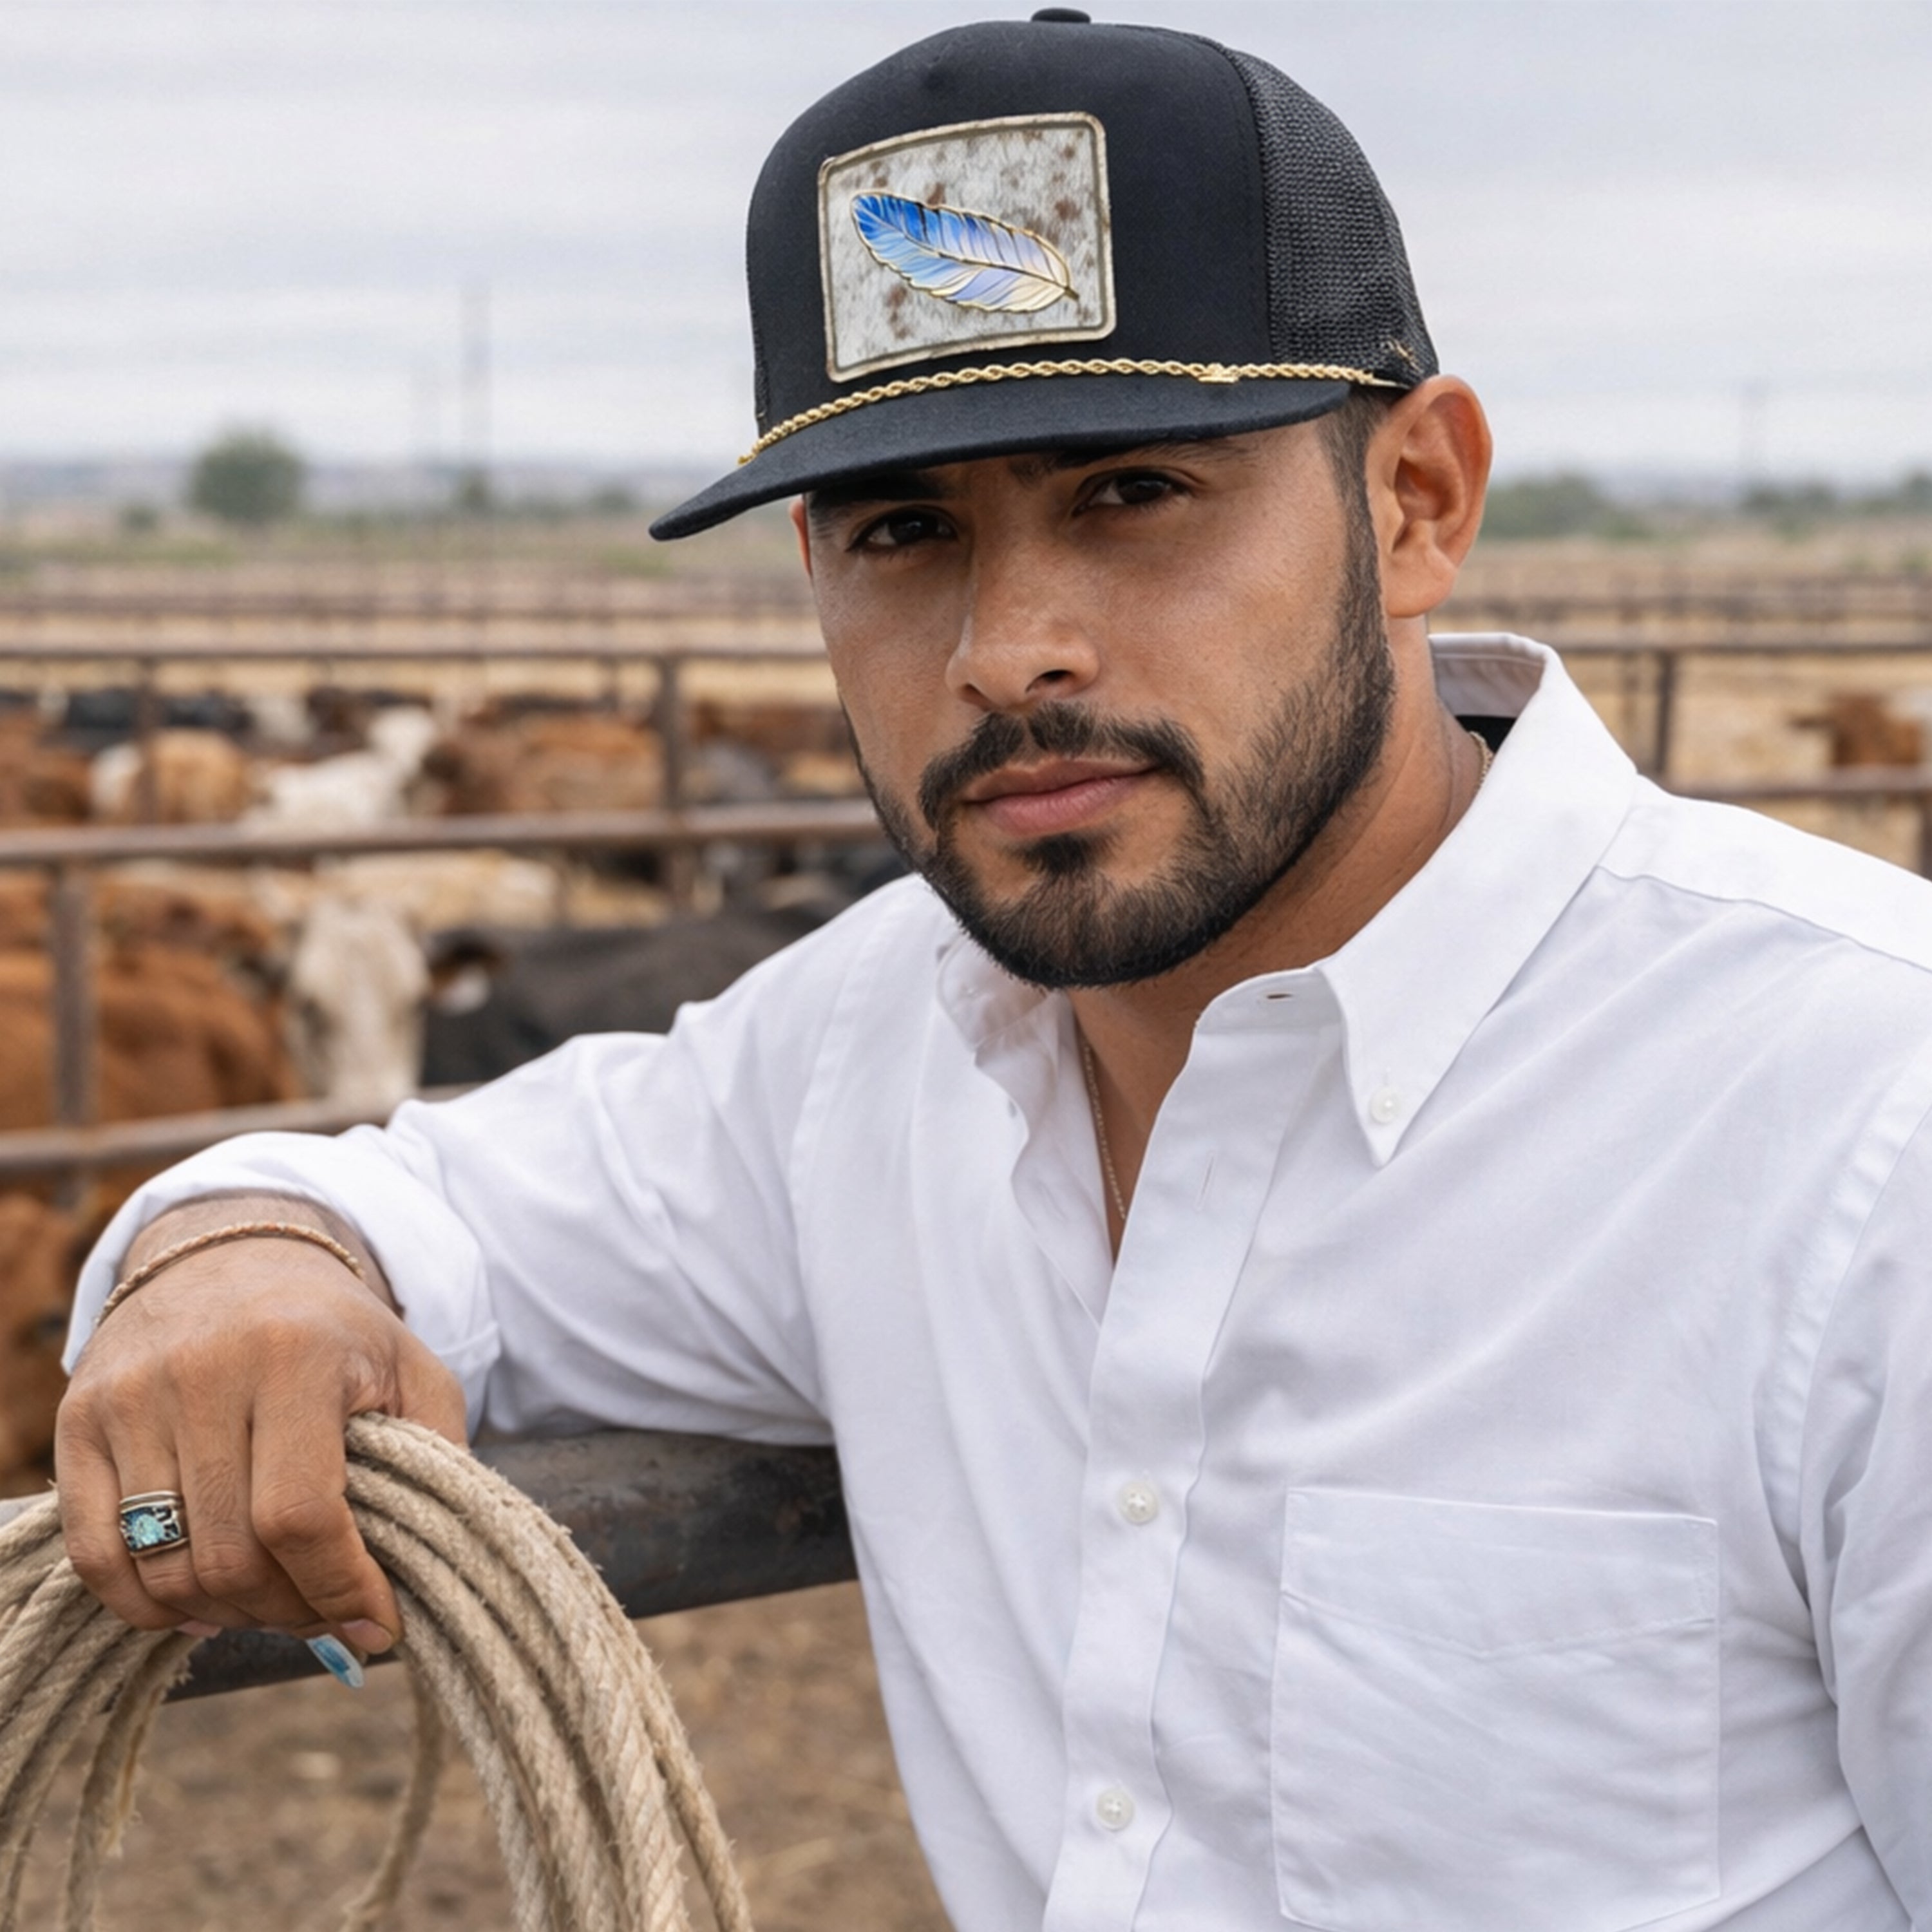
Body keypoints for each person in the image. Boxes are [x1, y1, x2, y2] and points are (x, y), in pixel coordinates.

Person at [53, 13, 1932, 1929]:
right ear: (811, 570)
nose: (1008, 647)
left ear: (1415, 504)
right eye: (903, 529)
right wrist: (235, 1263)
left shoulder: (1866, 1135)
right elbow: (416, 1201)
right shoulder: (869, 1056)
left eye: (1134, 491)